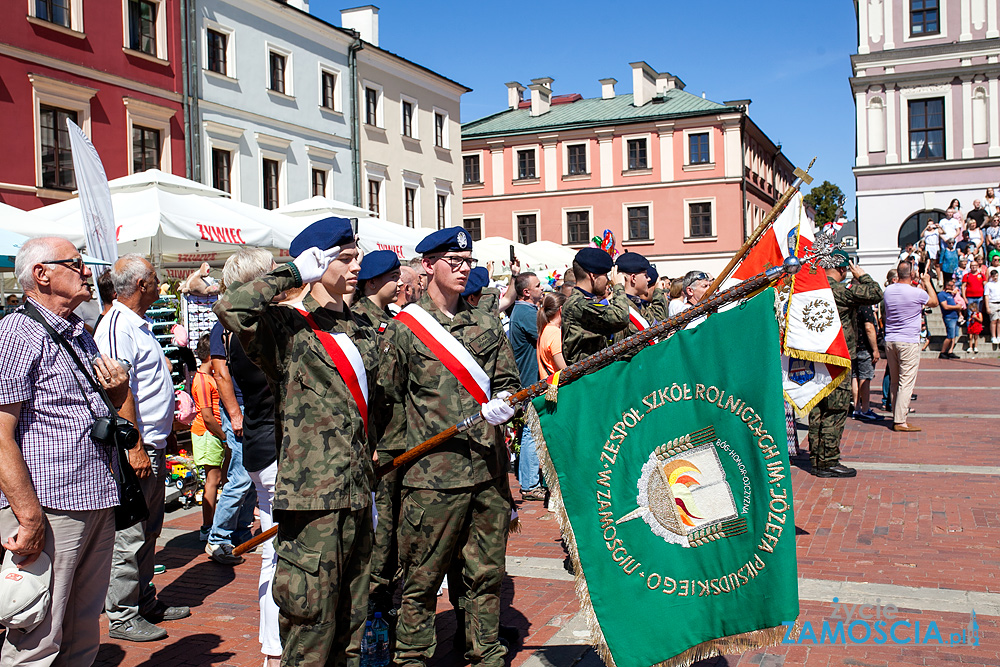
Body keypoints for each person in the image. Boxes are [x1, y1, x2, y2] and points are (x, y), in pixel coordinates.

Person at [216, 217, 398, 665]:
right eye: (345, 258)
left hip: (358, 492)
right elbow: (232, 309)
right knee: (310, 628)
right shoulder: (286, 325)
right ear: (317, 262)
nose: (356, 266)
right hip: (312, 500)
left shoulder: (358, 325)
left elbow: (379, 400)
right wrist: (294, 273)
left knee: (352, 626)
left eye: (356, 256)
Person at [389, 226, 518, 667]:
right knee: (421, 580)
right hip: (432, 479)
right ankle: (411, 657)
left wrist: (505, 401)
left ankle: (485, 651)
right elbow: (388, 404)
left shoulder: (484, 320)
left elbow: (507, 380)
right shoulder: (405, 330)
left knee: (485, 574)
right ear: (429, 266)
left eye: (468, 262)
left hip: (486, 470)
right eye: (454, 262)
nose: (464, 269)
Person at [0, 238, 131, 664]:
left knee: (81, 630)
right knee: (37, 636)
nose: (88, 271)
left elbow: (91, 409)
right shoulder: (17, 331)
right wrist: (28, 514)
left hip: (95, 496)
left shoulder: (78, 330)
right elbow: (0, 431)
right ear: (42, 274)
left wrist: (117, 392)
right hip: (50, 504)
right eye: (75, 264)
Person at [96, 254, 190, 642]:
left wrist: (161, 432)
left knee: (148, 529)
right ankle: (122, 614)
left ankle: (143, 599)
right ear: (140, 285)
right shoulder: (119, 325)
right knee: (131, 533)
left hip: (150, 443)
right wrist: (134, 445)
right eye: (154, 277)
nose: (159, 283)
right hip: (135, 448)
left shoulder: (135, 324)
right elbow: (119, 389)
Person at [219, 247, 284, 667]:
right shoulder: (258, 330)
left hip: (261, 448)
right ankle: (276, 650)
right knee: (282, 555)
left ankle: (271, 651)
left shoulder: (236, 330)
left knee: (273, 552)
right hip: (276, 449)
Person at [807, 250, 883, 478]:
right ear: (842, 269)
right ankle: (828, 462)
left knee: (817, 410)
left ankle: (816, 459)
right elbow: (876, 293)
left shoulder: (811, 289)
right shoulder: (839, 290)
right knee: (835, 411)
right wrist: (862, 276)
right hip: (837, 359)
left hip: (815, 359)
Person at [882, 262, 938, 432]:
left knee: (895, 380)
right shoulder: (916, 293)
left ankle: (896, 415)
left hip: (891, 339)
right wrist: (927, 282)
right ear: (912, 275)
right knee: (906, 382)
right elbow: (934, 302)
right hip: (908, 340)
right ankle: (900, 420)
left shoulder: (889, 290)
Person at [508, 271, 544, 501]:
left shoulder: (525, 310)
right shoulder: (524, 312)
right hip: (529, 379)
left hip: (530, 377)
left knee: (532, 430)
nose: (543, 289)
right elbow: (545, 334)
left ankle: (531, 481)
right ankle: (530, 485)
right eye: (538, 286)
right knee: (532, 430)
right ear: (527, 292)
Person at [560, 247, 630, 365]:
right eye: (605, 276)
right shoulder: (578, 305)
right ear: (593, 276)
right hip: (586, 378)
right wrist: (618, 286)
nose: (608, 280)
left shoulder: (583, 301)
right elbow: (621, 318)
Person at [191, 333, 225, 541]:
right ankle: (207, 526)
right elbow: (206, 415)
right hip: (208, 433)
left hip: (213, 433)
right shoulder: (202, 381)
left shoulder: (209, 377)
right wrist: (223, 436)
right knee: (212, 480)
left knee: (217, 479)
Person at [613, 252, 664, 342]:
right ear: (633, 278)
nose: (648, 279)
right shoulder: (617, 309)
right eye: (645, 275)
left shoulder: (640, 306)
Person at [354, 250, 402, 328]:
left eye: (399, 277)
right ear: (372, 283)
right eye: (394, 277)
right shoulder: (358, 319)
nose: (400, 283)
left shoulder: (390, 317)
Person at [851, 304, 880, 421]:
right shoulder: (865, 307)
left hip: (853, 346)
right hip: (864, 347)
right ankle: (865, 409)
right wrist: (875, 349)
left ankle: (857, 408)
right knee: (865, 377)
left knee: (855, 376)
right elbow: (869, 327)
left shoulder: (851, 304)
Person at [536, 292, 567, 378]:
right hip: (558, 387)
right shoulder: (555, 333)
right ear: (561, 309)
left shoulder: (544, 330)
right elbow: (564, 370)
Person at [962, 259, 986, 353]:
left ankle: (977, 332)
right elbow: (963, 287)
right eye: (972, 266)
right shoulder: (967, 275)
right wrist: (964, 297)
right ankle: (970, 333)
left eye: (975, 266)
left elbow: (985, 285)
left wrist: (985, 296)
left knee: (978, 315)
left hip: (979, 297)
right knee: (970, 316)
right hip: (970, 297)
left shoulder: (981, 275)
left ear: (978, 266)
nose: (974, 267)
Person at [937, 278, 962, 359]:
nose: (953, 287)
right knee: (950, 335)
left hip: (955, 316)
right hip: (949, 317)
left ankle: (950, 351)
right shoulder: (942, 294)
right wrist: (956, 307)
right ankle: (943, 352)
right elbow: (945, 306)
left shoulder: (951, 294)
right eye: (951, 286)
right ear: (947, 286)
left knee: (954, 335)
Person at [985, 269, 1000, 349]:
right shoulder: (988, 284)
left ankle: (999, 336)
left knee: (999, 320)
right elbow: (986, 296)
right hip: (992, 303)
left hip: (999, 302)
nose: (995, 277)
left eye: (996, 276)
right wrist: (987, 307)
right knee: (994, 320)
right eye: (994, 276)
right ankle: (993, 336)